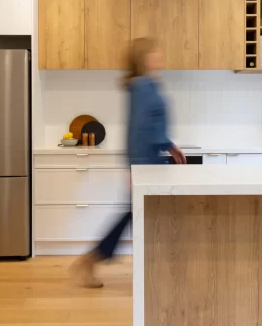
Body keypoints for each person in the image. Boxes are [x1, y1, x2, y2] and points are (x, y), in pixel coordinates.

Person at [69, 37, 186, 288]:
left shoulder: (148, 84)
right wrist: (137, 167)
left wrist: (168, 145)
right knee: (137, 215)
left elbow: (151, 124)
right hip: (144, 162)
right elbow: (139, 128)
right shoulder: (143, 86)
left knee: (140, 215)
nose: (161, 57)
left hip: (150, 160)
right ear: (145, 58)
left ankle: (99, 261)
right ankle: (93, 260)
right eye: (156, 53)